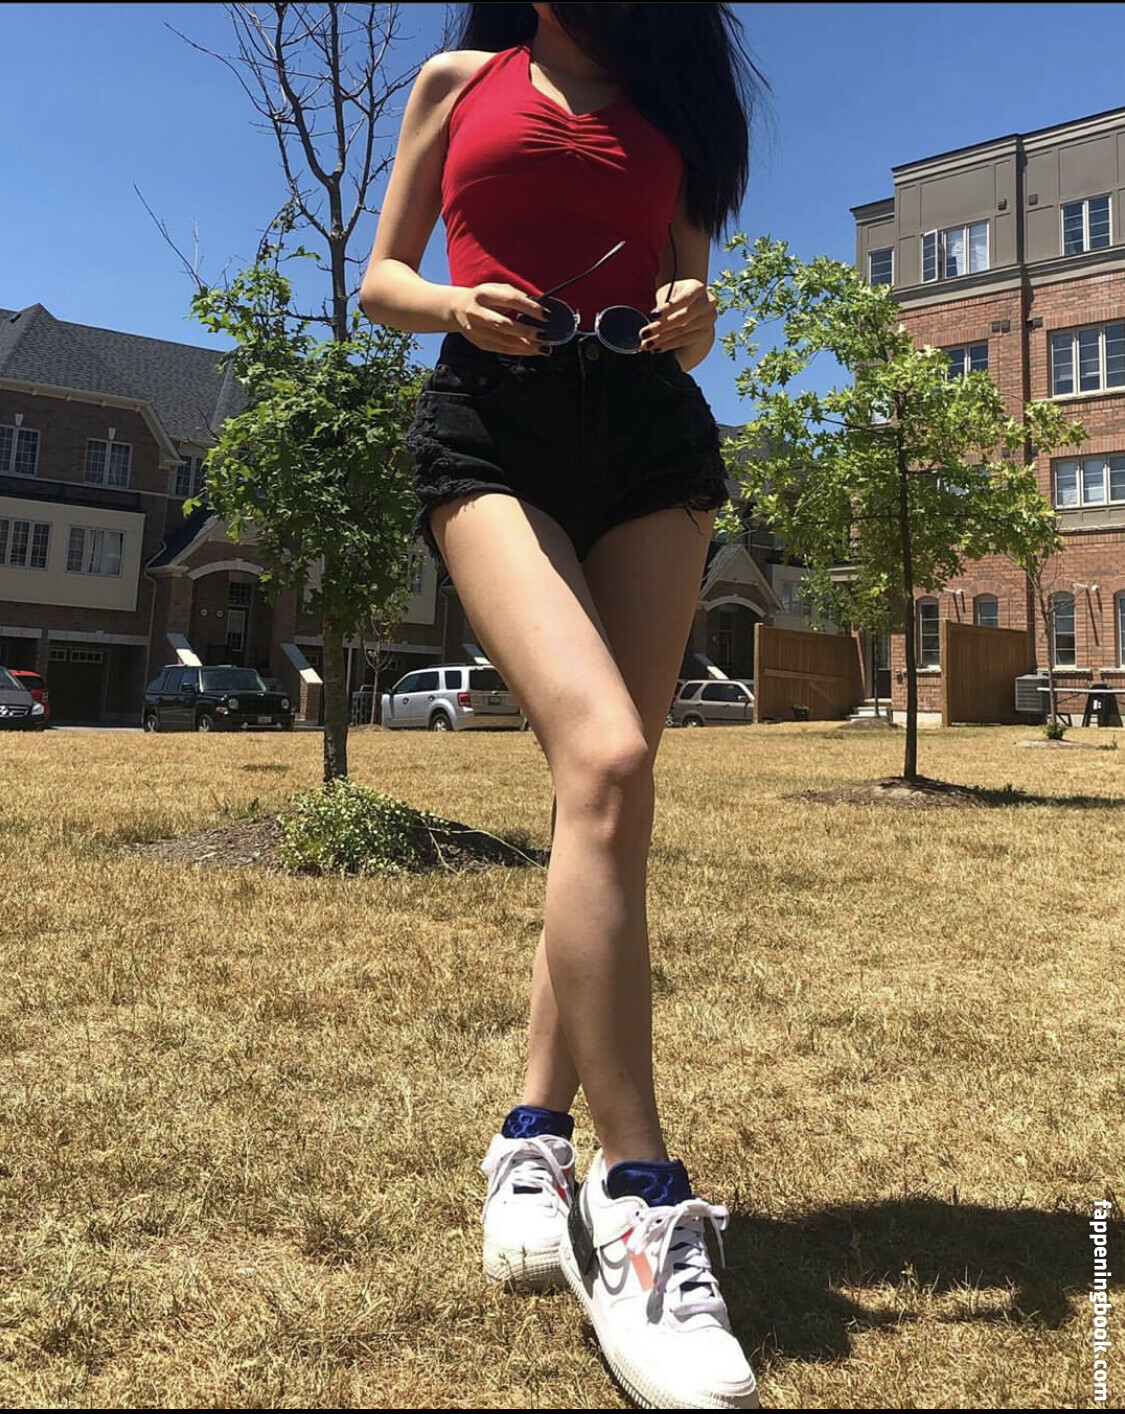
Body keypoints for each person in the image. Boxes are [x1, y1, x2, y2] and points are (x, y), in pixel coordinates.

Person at [361, 3, 765, 1406]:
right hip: (493, 424)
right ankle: (640, 1196)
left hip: (651, 439)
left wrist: (695, 315)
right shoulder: (457, 82)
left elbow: (690, 309)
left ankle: (531, 1137)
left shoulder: (674, 105)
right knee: (606, 755)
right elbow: (382, 280)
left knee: (602, 796)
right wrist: (454, 305)